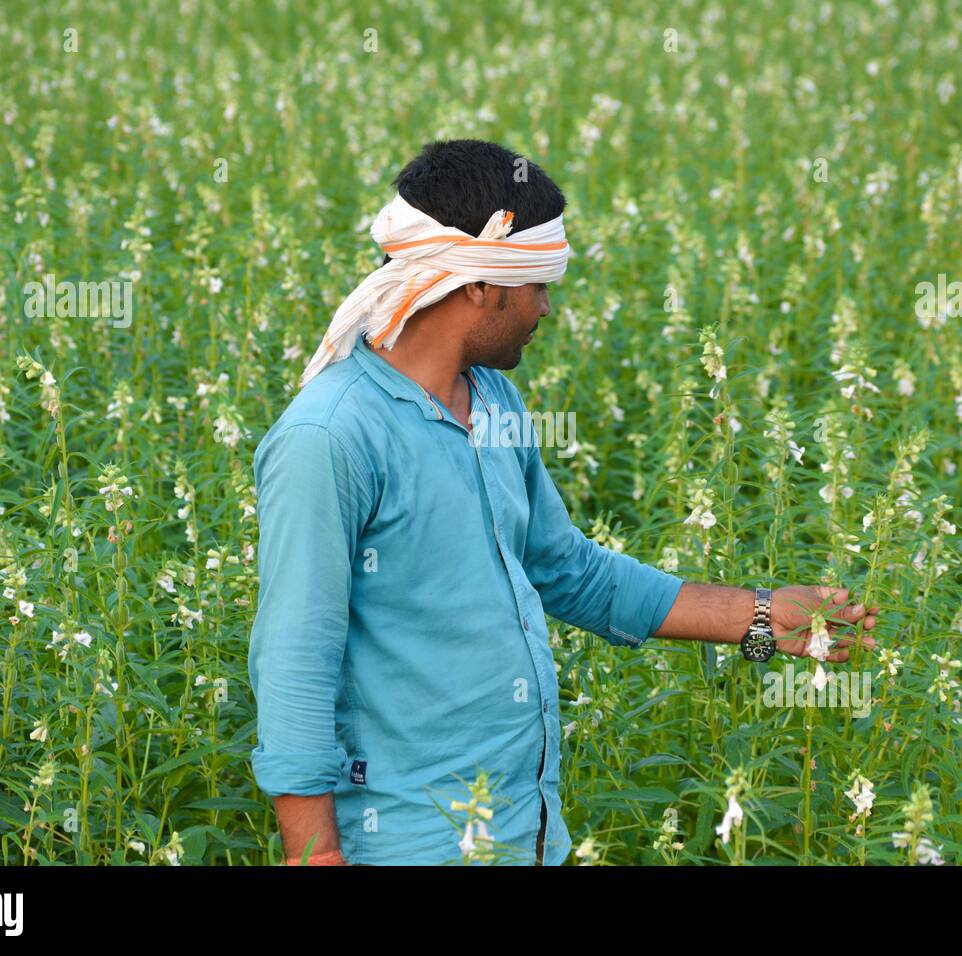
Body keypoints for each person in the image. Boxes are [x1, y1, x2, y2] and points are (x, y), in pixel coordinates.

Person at [248, 139, 880, 866]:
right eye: (539, 283)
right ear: (480, 284)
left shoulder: (492, 401)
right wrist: (313, 857)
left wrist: (763, 617)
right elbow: (296, 657)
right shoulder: (329, 437)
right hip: (405, 840)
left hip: (524, 829)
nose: (546, 307)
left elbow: (566, 569)